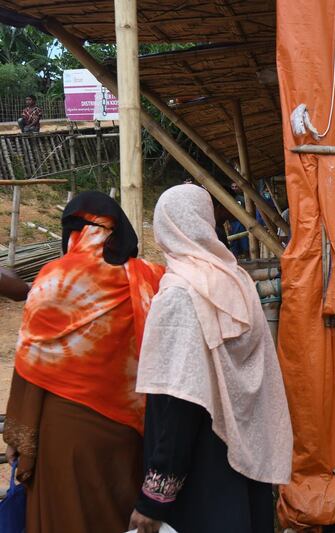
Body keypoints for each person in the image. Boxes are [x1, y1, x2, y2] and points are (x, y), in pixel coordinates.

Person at [128, 184, 293, 533]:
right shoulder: (238, 282)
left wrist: (154, 498)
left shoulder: (180, 293)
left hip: (198, 473)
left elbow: (179, 402)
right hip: (243, 459)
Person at [2, 191, 164, 533]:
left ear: (73, 231)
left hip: (64, 432)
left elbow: (31, 364)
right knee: (116, 514)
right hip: (129, 430)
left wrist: (20, 436)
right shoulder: (148, 276)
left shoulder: (55, 279)